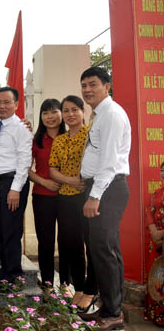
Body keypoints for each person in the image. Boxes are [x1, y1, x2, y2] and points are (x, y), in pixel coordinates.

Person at [77, 67, 131, 331]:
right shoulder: (101, 114)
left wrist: (94, 196)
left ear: (107, 86)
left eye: (93, 84)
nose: (87, 90)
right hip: (102, 187)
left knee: (104, 251)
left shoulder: (111, 114)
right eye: (84, 85)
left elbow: (109, 161)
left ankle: (113, 314)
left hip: (107, 190)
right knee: (106, 250)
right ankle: (110, 309)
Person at [49, 95, 98, 310]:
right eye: (66, 110)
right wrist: (70, 181)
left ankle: (91, 290)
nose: (70, 114)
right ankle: (78, 288)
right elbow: (52, 169)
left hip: (89, 196)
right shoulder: (60, 139)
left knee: (92, 245)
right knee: (71, 244)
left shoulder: (92, 134)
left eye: (74, 109)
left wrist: (84, 183)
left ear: (83, 111)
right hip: (66, 196)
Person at [0, 86, 32, 293]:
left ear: (16, 104)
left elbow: (24, 161)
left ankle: (14, 278)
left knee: (12, 232)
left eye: (7, 102)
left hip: (12, 183)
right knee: (2, 232)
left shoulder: (20, 128)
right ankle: (5, 275)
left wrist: (15, 189)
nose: (2, 106)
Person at [28, 99, 65, 294]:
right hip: (42, 196)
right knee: (46, 241)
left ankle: (67, 284)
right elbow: (26, 169)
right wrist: (44, 182)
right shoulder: (36, 140)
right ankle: (48, 284)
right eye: (45, 113)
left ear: (61, 114)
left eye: (54, 112)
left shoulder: (70, 137)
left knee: (68, 241)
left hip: (69, 197)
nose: (50, 117)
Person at [145, 161, 164, 326]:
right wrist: (153, 231)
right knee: (156, 276)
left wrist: (162, 233)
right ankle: (156, 314)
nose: (163, 173)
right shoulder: (156, 193)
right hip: (156, 242)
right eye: (162, 170)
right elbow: (149, 211)